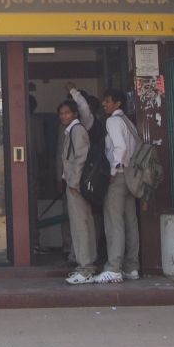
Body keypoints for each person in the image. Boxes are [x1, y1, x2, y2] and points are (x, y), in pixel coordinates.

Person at [95, 88, 140, 283]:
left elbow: (119, 147)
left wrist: (113, 171)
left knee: (114, 222)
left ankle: (114, 267)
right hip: (131, 177)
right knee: (131, 221)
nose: (104, 104)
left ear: (118, 103)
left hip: (119, 176)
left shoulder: (112, 121)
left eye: (107, 101)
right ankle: (132, 267)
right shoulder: (128, 122)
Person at [56, 88, 97, 284]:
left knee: (81, 226)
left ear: (75, 114)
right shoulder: (72, 130)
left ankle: (85, 268)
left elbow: (81, 158)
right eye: (61, 113)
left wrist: (74, 182)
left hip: (76, 186)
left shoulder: (77, 130)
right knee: (81, 224)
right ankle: (85, 265)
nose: (64, 116)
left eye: (67, 113)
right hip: (74, 184)